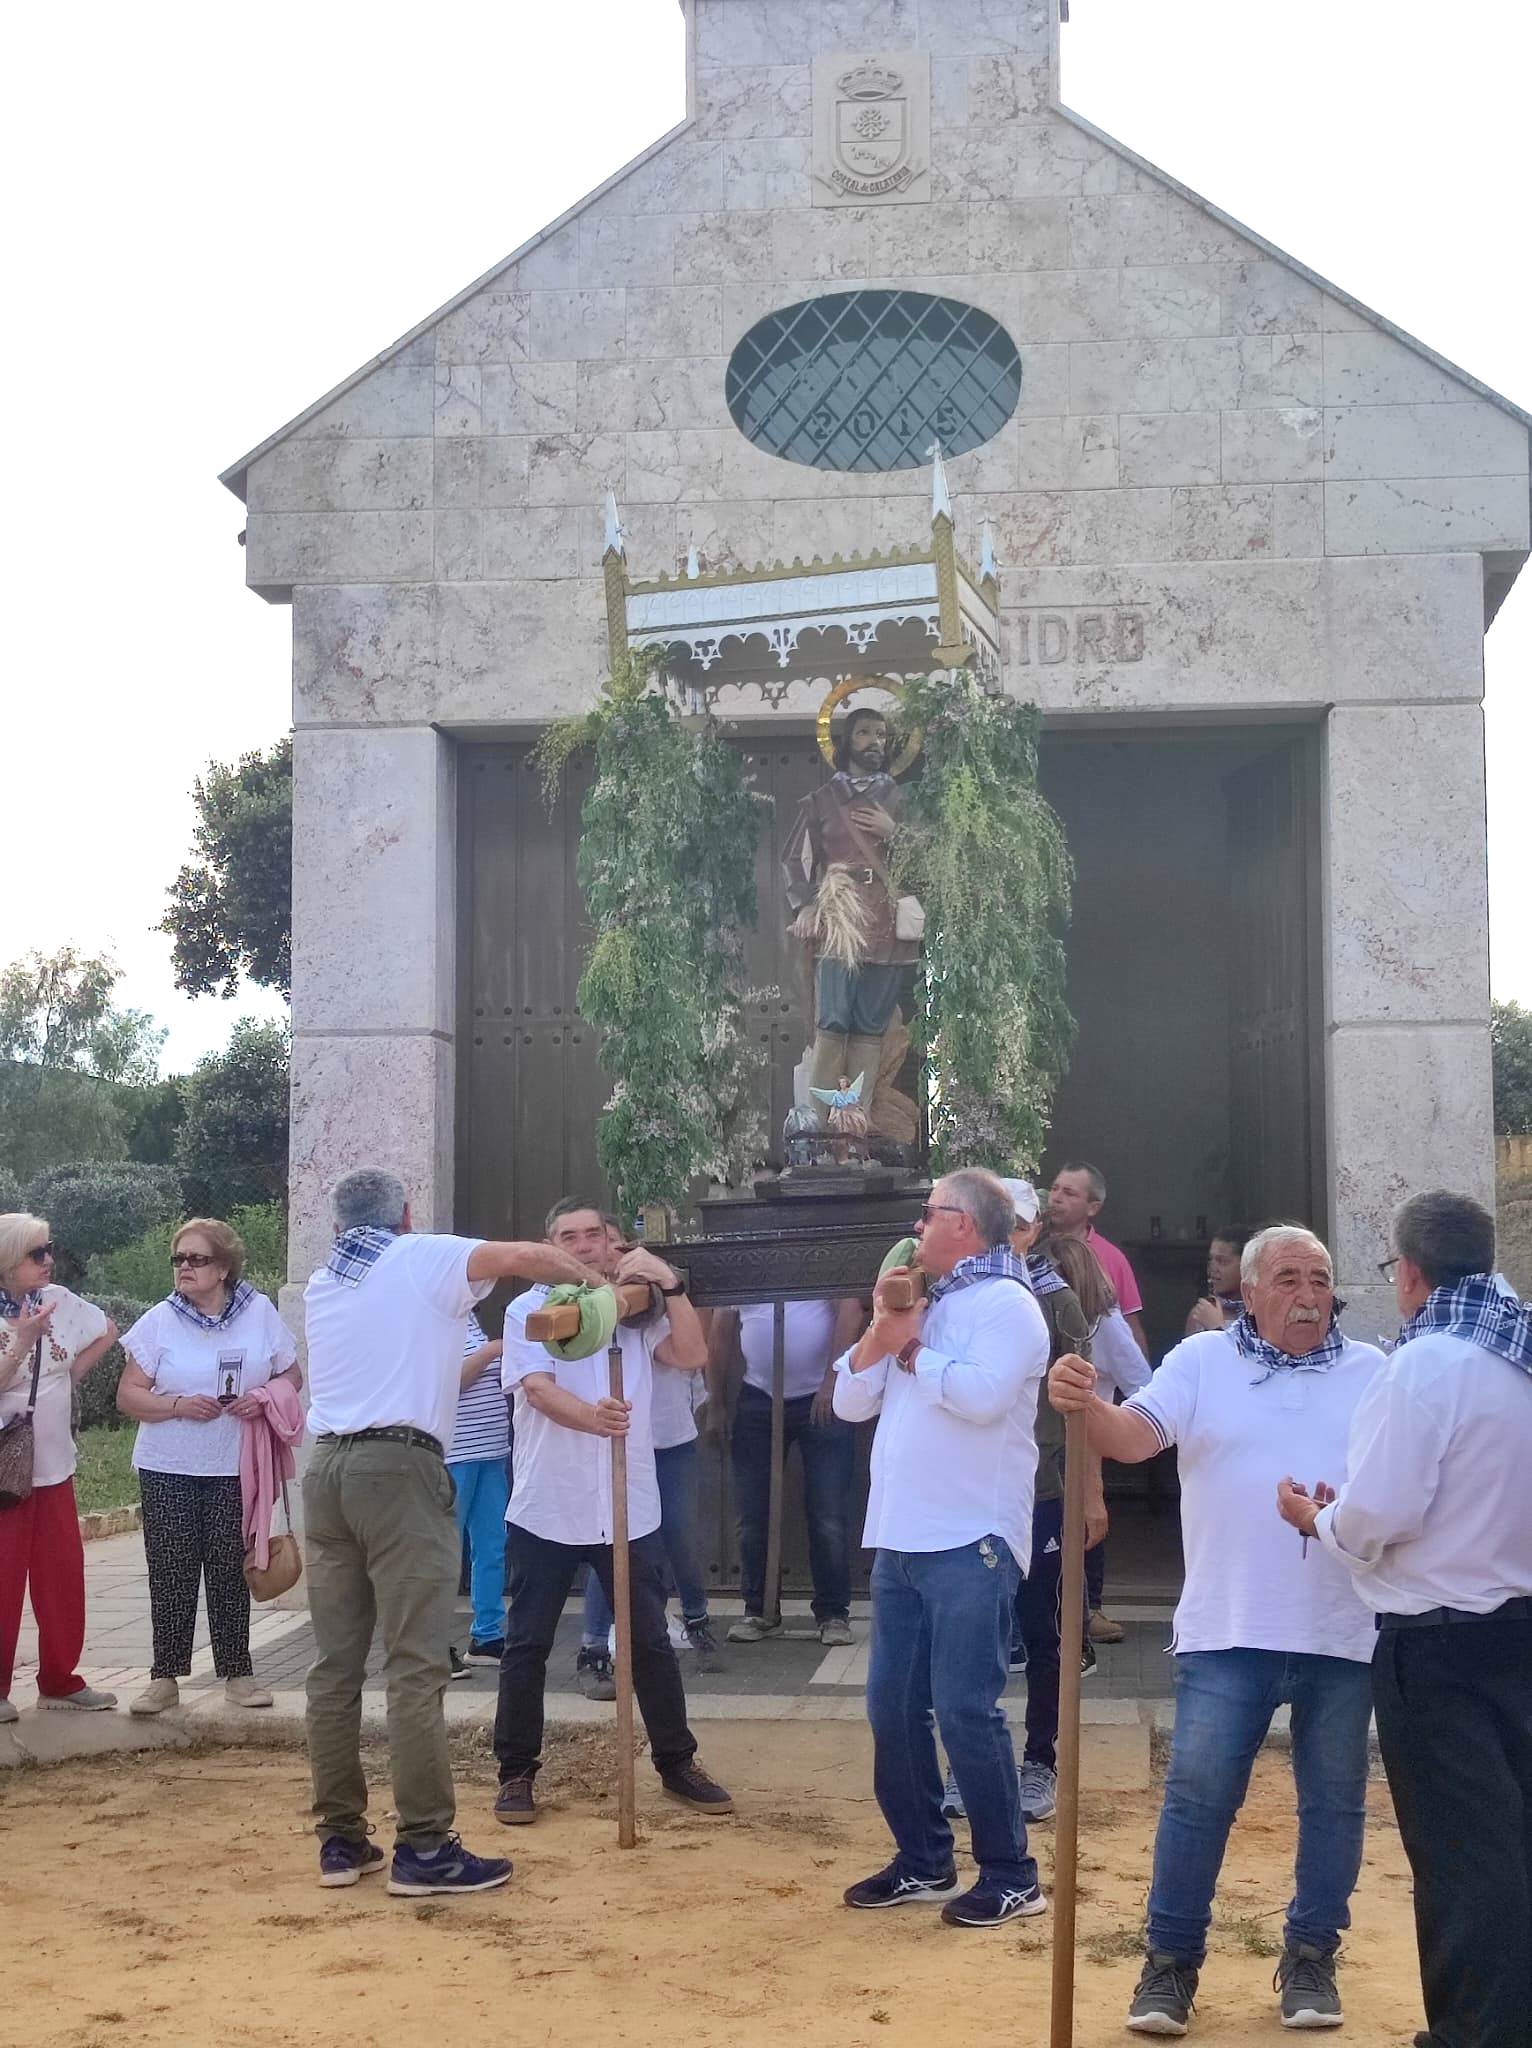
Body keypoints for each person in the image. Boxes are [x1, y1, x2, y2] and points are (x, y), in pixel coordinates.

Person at [1051, 1224, 1385, 2035]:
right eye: (1290, 1280)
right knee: (1197, 1802)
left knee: (1336, 1805)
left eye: (1320, 1280)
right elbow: (1134, 1438)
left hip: (1344, 1629)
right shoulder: (1202, 1361)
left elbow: (1400, 1484)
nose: (1310, 1296)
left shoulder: (1374, 1372)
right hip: (1228, 1627)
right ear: (1251, 1287)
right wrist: (1084, 1402)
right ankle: (1168, 1970)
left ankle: (1312, 1960)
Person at [1278, 1191, 1532, 2048]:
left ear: (1411, 1274)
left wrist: (1317, 1519)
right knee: (1518, 1843)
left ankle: (1473, 2033)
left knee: (1465, 1857)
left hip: (1437, 1647)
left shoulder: (1422, 1366)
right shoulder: (1522, 1348)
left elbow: (1377, 1517)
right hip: (1521, 1629)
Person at [301, 1166, 595, 1897]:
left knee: (336, 1669)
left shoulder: (325, 1281)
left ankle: (341, 1840)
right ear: (405, 1214)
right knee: (413, 1666)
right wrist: (590, 1280)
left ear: (340, 1225)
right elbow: (526, 1258)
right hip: (399, 1470)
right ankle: (426, 1847)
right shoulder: (418, 1256)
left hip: (328, 1471)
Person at [835, 1169, 1050, 1928]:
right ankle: (924, 1860)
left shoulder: (1009, 1304)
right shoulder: (922, 1304)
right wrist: (882, 1333)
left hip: (972, 1538)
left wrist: (910, 1351)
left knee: (965, 1710)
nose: (917, 1226)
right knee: (891, 1709)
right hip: (899, 1539)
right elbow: (845, 1400)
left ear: (967, 1225)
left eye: (929, 1214)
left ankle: (1011, 1872)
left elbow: (985, 1397)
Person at [493, 1197, 733, 1824]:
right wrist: (595, 1419)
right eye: (567, 1237)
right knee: (527, 1644)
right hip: (549, 1503)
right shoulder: (529, 1310)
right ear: (550, 1247)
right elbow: (539, 1390)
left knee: (649, 1641)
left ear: (611, 1242)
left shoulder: (634, 1310)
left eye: (593, 1235)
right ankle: (516, 1772)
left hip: (630, 1505)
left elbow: (691, 1355)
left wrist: (670, 1283)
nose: (582, 1245)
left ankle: (676, 1764)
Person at [116, 1218, 300, 1716]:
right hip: (168, 1465)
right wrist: (177, 1405)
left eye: (195, 1259)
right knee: (171, 1570)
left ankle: (238, 1674)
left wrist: (261, 1396)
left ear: (222, 1267)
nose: (184, 1269)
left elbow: (292, 1375)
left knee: (228, 1569)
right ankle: (165, 1677)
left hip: (234, 1463)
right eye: (178, 1259)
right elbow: (128, 1394)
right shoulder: (160, 1319)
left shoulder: (258, 1311)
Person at [1003, 1195, 1117, 1828]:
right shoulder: (950, 1292)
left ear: (1035, 1228)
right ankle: (978, 1763)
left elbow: (1085, 1404)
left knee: (1046, 1632)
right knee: (983, 1635)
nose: (1012, 1233)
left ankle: (1039, 1759)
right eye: (1003, 1221)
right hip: (980, 1494)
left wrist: (1090, 1492)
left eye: (1021, 1222)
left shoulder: (1056, 1301)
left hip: (1043, 1486)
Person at [579, 1217, 725, 1688]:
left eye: (625, 1249)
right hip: (618, 1443)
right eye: (610, 1248)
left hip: (671, 1440)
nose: (616, 1256)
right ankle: (594, 1647)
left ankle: (698, 1621)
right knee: (610, 1542)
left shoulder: (656, 1312)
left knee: (679, 1536)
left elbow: (690, 1353)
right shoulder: (596, 1309)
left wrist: (666, 1284)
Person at [0, 1214, 119, 1719]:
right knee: (3, 1581)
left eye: (49, 1250)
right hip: (6, 1474)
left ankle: (60, 1679)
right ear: (6, 1263)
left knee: (62, 1578)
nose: (48, 1261)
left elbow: (107, 1330)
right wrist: (24, 1340)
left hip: (55, 1467)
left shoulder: (63, 1299)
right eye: (35, 1254)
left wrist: (73, 1374)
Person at [782, 701, 920, 1130]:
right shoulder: (822, 802)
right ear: (845, 742)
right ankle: (817, 1127)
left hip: (885, 922)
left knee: (870, 1025)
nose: (874, 742)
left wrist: (894, 832)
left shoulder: (901, 802)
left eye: (880, 734)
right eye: (864, 733)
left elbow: (927, 863)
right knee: (833, 1020)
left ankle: (854, 1126)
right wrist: (806, 903)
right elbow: (795, 860)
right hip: (840, 920)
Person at [707, 1297, 861, 1648]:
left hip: (819, 1395)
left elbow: (850, 1310)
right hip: (758, 1395)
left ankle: (833, 1612)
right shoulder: (742, 1263)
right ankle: (760, 1609)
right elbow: (721, 1331)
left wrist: (830, 1384)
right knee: (752, 1515)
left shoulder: (820, 1250)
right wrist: (715, 1400)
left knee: (828, 1515)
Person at [1046, 1161, 1146, 1645]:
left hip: (1083, 1435)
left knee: (1085, 1521)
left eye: (1070, 1192)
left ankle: (1085, 1612)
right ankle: (1063, 1618)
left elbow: (1137, 1373)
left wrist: (1129, 1425)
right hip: (1044, 1443)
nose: (1057, 1198)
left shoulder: (1101, 1311)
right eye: (1055, 1189)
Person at [447, 1310, 509, 1667]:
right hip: (455, 1454)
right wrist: (493, 1351)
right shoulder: (432, 1319)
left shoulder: (469, 1317)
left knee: (492, 1546)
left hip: (491, 1450)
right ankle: (433, 1643)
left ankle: (487, 1635)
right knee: (444, 1551)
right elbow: (450, 1382)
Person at [1185, 1228, 1249, 1335]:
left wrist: (1215, 1328)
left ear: (1246, 1264)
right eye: (1210, 1260)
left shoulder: (1262, 1314)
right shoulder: (1200, 1313)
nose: (1213, 1268)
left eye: (1222, 1261)